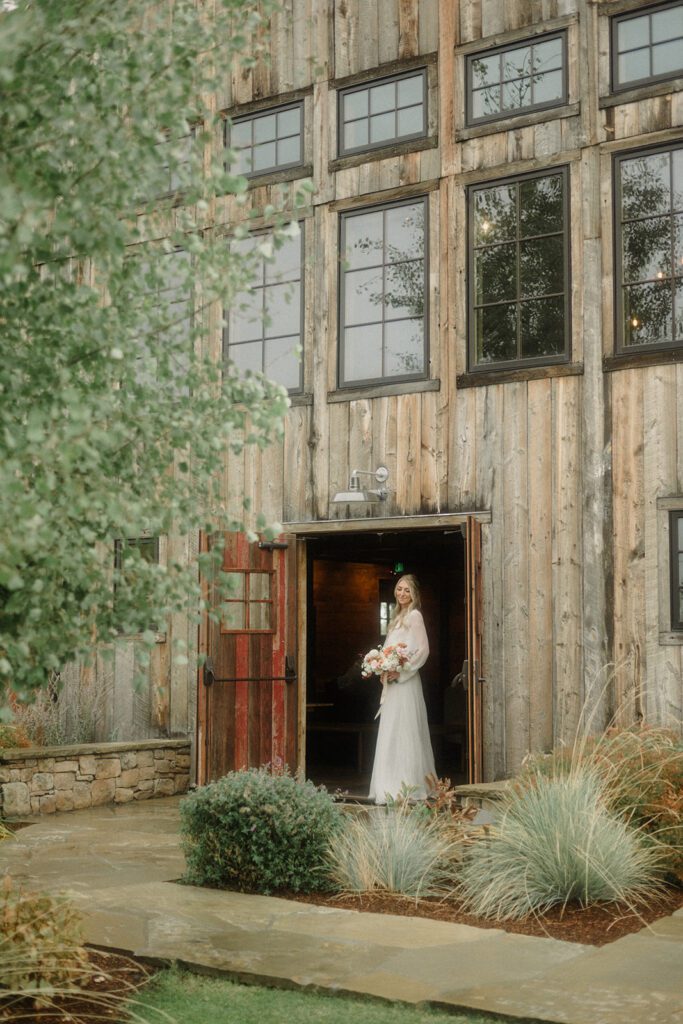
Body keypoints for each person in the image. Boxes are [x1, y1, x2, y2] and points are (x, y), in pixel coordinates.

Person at [369, 574, 436, 804]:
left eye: (407, 590)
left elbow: (423, 650)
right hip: (392, 687)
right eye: (399, 589)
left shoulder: (415, 616)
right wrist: (382, 669)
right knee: (391, 731)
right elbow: (389, 651)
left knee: (406, 732)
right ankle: (388, 785)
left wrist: (403, 672)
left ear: (414, 594)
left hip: (407, 685)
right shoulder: (397, 617)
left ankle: (408, 785)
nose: (402, 594)